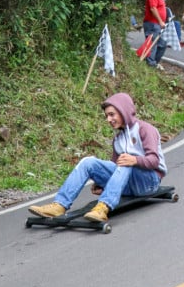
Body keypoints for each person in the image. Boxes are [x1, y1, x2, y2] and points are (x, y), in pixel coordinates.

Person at [28, 93, 168, 223]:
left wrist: (135, 160)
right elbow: (115, 168)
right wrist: (103, 184)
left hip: (149, 182)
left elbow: (154, 161)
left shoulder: (145, 129)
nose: (109, 120)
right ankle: (59, 205)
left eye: (112, 115)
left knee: (126, 161)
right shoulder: (118, 139)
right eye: (107, 116)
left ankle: (103, 208)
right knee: (88, 162)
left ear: (123, 111)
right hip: (128, 184)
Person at [142, 0, 168, 70]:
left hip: (157, 25)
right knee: (152, 44)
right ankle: (150, 64)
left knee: (162, 44)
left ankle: (154, 63)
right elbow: (153, 8)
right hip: (153, 24)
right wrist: (160, 21)